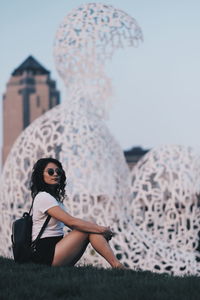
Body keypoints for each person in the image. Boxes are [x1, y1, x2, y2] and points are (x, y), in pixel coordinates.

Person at [30, 157, 124, 268]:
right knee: (88, 228)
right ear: (41, 175)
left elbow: (70, 223)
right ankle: (117, 265)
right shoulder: (43, 197)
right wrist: (101, 229)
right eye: (50, 172)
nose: (55, 174)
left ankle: (117, 265)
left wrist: (97, 230)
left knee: (90, 228)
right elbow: (71, 222)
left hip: (56, 248)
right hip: (45, 254)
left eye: (58, 172)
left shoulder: (54, 199)